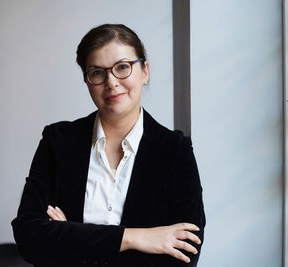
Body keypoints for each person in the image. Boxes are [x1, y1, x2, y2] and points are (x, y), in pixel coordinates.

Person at [11, 24, 206, 267]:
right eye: (97, 72)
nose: (111, 82)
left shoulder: (175, 151)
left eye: (122, 67)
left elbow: (184, 255)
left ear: (144, 71)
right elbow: (30, 237)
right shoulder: (58, 142)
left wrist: (71, 236)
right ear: (87, 80)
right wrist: (137, 237)